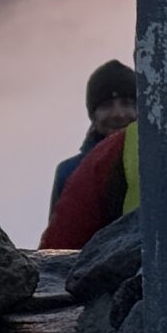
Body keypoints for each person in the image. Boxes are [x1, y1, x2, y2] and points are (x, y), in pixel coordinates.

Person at [43, 60, 139, 251]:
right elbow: (61, 243)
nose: (118, 114)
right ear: (92, 116)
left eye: (127, 103)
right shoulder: (69, 171)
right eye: (107, 105)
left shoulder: (155, 163)